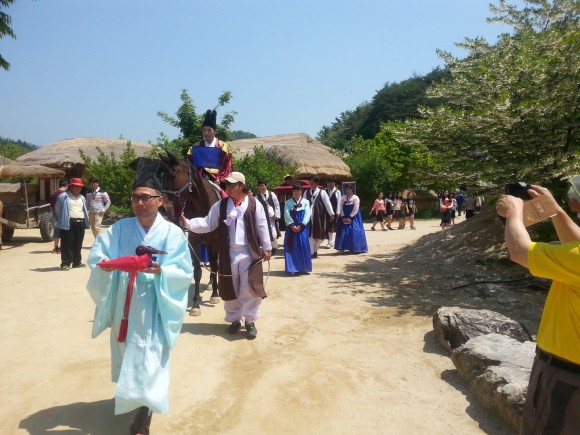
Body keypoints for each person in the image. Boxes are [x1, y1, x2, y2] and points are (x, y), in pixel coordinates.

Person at [86, 169, 193, 435]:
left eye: (146, 197)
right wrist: (104, 265)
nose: (140, 203)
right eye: (135, 197)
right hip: (125, 303)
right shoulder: (120, 229)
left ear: (160, 200)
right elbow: (98, 254)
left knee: (150, 356)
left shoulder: (172, 233)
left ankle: (143, 417)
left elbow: (184, 271)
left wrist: (162, 271)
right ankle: (136, 400)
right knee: (129, 354)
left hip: (155, 305)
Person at [496, 179, 580, 434]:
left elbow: (520, 252)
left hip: (566, 376)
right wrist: (555, 211)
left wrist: (513, 214)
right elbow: (574, 245)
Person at [180, 171, 272, 340]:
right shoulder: (221, 205)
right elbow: (207, 223)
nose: (227, 188)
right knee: (230, 287)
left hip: (249, 252)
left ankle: (250, 320)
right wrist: (188, 223)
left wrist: (267, 247)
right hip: (228, 253)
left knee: (248, 287)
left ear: (241, 186)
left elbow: (262, 225)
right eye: (226, 184)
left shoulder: (254, 204)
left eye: (231, 185)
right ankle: (235, 319)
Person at [187, 109, 233, 193]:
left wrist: (220, 179)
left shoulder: (223, 147)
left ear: (215, 131)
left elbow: (227, 167)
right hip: (199, 183)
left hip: (218, 183)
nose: (206, 132)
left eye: (209, 130)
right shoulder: (195, 148)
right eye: (204, 130)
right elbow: (189, 166)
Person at [55, 178, 90, 270]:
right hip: (68, 222)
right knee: (67, 243)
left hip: (80, 222)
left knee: (78, 243)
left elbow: (84, 209)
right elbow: (57, 209)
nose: (78, 188)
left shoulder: (82, 197)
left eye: (80, 187)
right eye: (76, 186)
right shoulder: (63, 196)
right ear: (71, 187)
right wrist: (63, 218)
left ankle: (76, 262)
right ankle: (65, 263)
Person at [283, 183, 312, 276]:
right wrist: (292, 225)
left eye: (297, 191)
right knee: (292, 246)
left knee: (303, 245)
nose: (296, 193)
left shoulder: (306, 202)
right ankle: (292, 268)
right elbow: (286, 214)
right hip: (291, 228)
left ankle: (304, 267)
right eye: (294, 191)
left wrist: (302, 225)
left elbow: (308, 214)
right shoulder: (288, 202)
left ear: (301, 191)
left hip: (302, 228)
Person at [304, 175, 335, 259]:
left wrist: (331, 214)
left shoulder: (322, 192)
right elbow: (303, 203)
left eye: (312, 182)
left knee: (319, 237)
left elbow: (327, 203)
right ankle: (311, 253)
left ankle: (315, 250)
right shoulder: (306, 192)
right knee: (310, 235)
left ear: (317, 183)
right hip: (308, 217)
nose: (311, 184)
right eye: (310, 182)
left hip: (319, 217)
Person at [335, 183, 368, 254]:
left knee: (355, 231)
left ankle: (354, 248)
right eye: (346, 189)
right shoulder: (343, 197)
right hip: (344, 216)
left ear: (352, 189)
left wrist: (350, 217)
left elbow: (356, 208)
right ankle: (341, 248)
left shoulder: (355, 198)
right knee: (342, 231)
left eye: (349, 189)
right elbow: (341, 207)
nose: (347, 190)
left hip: (354, 217)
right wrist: (343, 216)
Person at [256, 179, 281, 255]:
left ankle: (274, 247)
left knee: (273, 233)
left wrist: (276, 216)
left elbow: (277, 205)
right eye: (260, 186)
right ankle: (268, 248)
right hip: (263, 218)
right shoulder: (257, 197)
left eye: (263, 185)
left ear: (266, 186)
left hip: (271, 218)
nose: (262, 187)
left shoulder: (272, 194)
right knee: (265, 233)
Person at [49, 179, 68, 253]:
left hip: (55, 214)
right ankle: (62, 248)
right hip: (63, 214)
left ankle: (56, 248)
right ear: (66, 186)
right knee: (64, 230)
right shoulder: (65, 194)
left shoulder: (53, 194)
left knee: (56, 230)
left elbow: (51, 204)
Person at [324, 176, 342, 247]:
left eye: (331, 182)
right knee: (327, 226)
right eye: (328, 182)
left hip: (334, 212)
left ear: (334, 183)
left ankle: (330, 242)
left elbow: (339, 203)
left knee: (332, 226)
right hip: (326, 212)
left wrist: (337, 213)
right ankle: (330, 241)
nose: (329, 184)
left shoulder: (337, 192)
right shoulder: (325, 191)